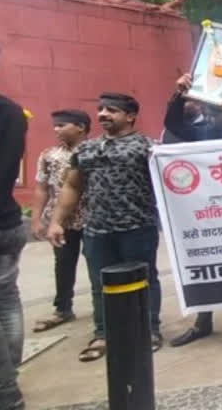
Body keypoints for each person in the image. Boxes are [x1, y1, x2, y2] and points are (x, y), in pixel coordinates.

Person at [47, 93, 163, 362]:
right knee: (100, 284)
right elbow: (72, 186)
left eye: (111, 110)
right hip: (97, 230)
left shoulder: (148, 147)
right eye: (100, 109)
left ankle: (149, 330)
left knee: (145, 280)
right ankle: (103, 334)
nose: (102, 115)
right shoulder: (86, 150)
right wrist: (56, 222)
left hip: (138, 227)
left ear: (130, 116)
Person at [165, 74, 222, 347]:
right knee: (205, 265)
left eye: (219, 110)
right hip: (203, 210)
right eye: (213, 110)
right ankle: (203, 322)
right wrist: (178, 95)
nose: (215, 114)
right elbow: (172, 122)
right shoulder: (200, 132)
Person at [30, 110, 91, 333]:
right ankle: (63, 308)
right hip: (61, 221)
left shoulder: (93, 152)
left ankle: (103, 310)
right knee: (63, 264)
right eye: (55, 126)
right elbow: (41, 188)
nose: (56, 130)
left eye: (62, 125)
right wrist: (36, 219)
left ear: (81, 127)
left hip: (92, 218)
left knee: (97, 265)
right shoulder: (49, 155)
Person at [0, 92, 28, 410]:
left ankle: (5, 390)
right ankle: (9, 377)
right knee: (6, 299)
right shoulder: (11, 110)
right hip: (7, 218)